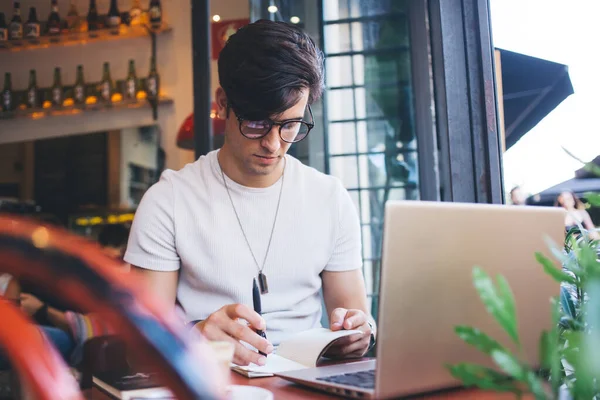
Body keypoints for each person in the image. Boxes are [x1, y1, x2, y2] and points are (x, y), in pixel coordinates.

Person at [124, 19, 376, 367]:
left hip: (308, 383)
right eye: (257, 123)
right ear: (223, 104)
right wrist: (196, 335)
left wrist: (360, 333)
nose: (274, 144)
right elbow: (141, 339)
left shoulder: (330, 198)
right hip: (208, 382)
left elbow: (356, 318)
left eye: (290, 125)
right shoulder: (168, 202)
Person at [19, 224, 130, 365]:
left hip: (80, 341)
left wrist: (42, 309)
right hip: (71, 334)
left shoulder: (129, 289)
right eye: (104, 260)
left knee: (24, 336)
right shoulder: (90, 277)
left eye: (117, 261)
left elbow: (94, 327)